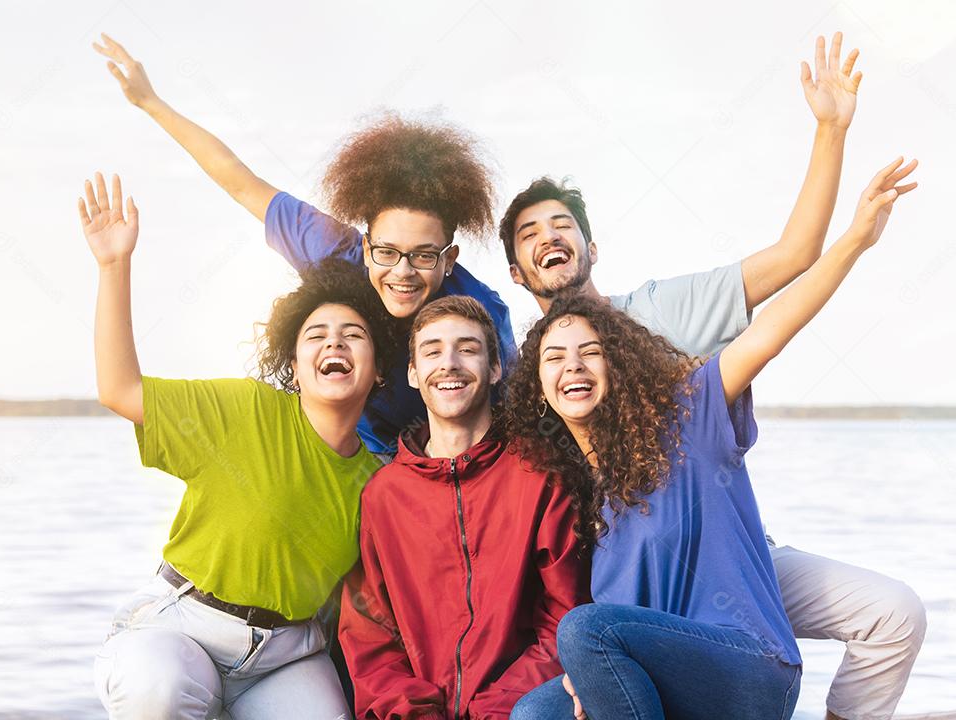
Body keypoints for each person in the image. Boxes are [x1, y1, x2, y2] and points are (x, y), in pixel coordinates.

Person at [498, 34, 925, 720]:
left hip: (728, 558)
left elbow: (789, 277)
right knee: (540, 706)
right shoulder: (555, 438)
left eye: (561, 223)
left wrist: (832, 146)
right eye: (530, 231)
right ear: (517, 272)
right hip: (650, 603)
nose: (573, 366)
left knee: (891, 611)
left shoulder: (674, 351)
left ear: (589, 245)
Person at [93, 34, 514, 455]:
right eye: (387, 253)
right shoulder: (333, 251)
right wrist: (150, 102)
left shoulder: (480, 312)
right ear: (366, 248)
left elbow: (514, 414)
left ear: (449, 258)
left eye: (423, 256)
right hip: (348, 457)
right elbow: (240, 181)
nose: (402, 272)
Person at [80, 172, 395, 719]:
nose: (335, 342)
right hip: (184, 628)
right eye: (316, 336)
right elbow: (119, 389)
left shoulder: (379, 480)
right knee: (158, 690)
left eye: (354, 334)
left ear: (379, 373)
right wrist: (114, 266)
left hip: (286, 656)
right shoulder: (244, 410)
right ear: (295, 367)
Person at [337, 296, 590, 719]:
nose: (449, 363)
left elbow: (565, 614)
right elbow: (370, 633)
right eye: (432, 351)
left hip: (520, 710)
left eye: (468, 349)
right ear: (414, 374)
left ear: (494, 369)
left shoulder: (540, 472)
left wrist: (495, 710)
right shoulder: (382, 496)